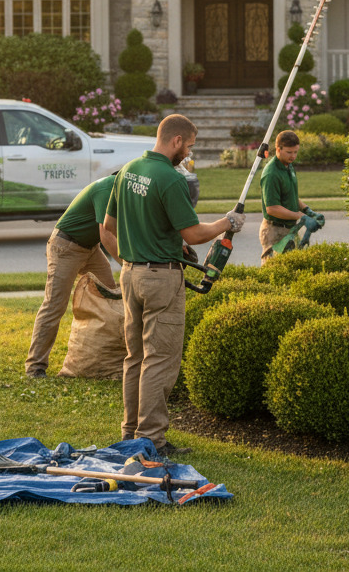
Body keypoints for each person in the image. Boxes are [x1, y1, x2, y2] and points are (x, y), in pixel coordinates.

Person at [104, 113, 244, 456]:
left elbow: (109, 224)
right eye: (190, 146)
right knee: (160, 360)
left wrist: (140, 248)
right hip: (160, 280)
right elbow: (194, 235)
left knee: (135, 357)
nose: (189, 154)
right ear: (176, 141)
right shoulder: (170, 178)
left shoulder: (129, 170)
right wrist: (228, 222)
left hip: (130, 273)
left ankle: (130, 433)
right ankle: (150, 441)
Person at [24, 174, 122, 379]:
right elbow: (106, 234)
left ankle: (103, 357)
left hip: (90, 248)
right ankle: (35, 367)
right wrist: (128, 264)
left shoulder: (124, 193)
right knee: (54, 305)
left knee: (109, 296)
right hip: (66, 247)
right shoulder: (107, 189)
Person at [258, 130, 318, 262]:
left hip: (290, 229)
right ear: (278, 149)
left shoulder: (288, 166)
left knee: (292, 269)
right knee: (272, 272)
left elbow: (290, 196)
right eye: (289, 152)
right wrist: (301, 216)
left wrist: (307, 210)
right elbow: (272, 208)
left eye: (296, 152)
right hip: (274, 231)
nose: (293, 156)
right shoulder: (271, 174)